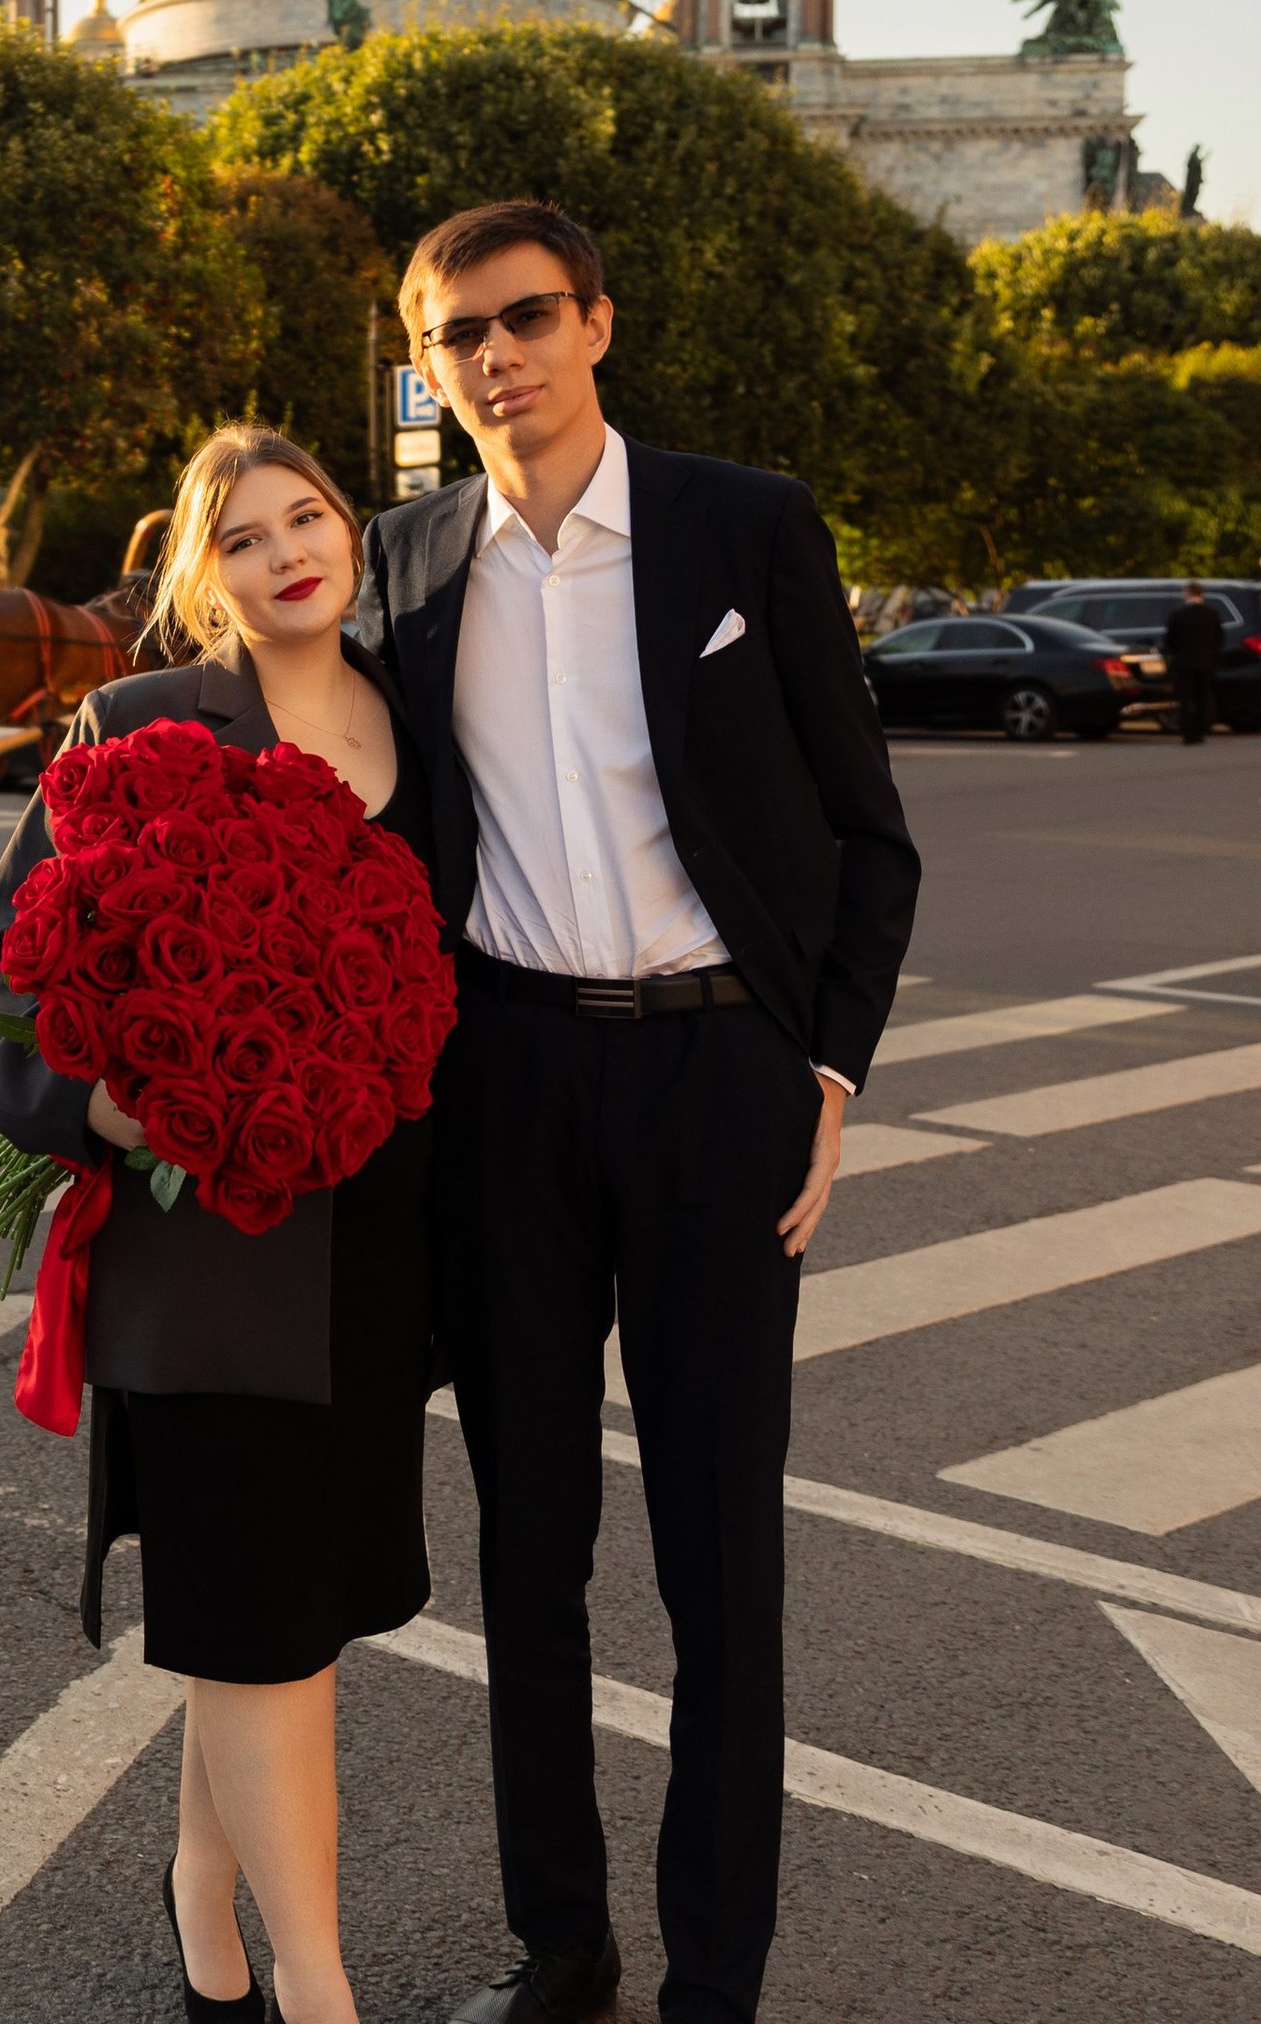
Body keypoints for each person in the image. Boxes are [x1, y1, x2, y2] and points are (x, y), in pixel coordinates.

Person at [358, 203, 919, 2024]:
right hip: (509, 1089)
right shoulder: (407, 565)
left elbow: (869, 834)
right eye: (461, 336)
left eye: (528, 318)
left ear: (598, 322)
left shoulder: (739, 524)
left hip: (714, 1085)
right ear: (428, 367)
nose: (498, 355)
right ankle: (563, 1942)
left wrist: (823, 1075)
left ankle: (715, 1973)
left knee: (716, 1553)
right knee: (529, 1543)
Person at [0, 424, 441, 2024]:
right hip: (208, 1264)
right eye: (244, 537)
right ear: (201, 570)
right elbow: (5, 969)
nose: (288, 551)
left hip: (376, 1258)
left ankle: (200, 1900)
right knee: (257, 1623)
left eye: (308, 517)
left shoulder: (420, 723)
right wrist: (111, 1107)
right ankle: (315, 1985)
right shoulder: (146, 721)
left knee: (285, 1619)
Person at [1165, 579, 1225, 745]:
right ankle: (1199, 732)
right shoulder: (1212, 614)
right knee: (1202, 697)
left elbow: (1170, 640)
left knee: (1185, 699)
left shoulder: (1178, 615)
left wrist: (1177, 653)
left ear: (1189, 593)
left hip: (1184, 663)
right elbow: (1219, 638)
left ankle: (1187, 733)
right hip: (1205, 663)